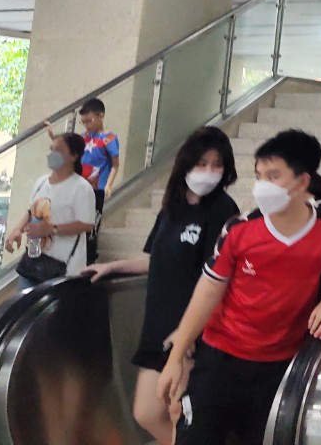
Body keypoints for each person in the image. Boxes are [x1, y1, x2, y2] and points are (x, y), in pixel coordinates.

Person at [158, 130, 321, 445]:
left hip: (280, 368)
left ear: (302, 182)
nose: (262, 185)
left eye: (273, 176)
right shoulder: (240, 229)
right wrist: (176, 357)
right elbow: (208, 292)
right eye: (259, 175)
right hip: (221, 360)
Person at [83, 127, 241, 445]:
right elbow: (154, 259)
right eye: (202, 163)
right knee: (146, 412)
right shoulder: (172, 206)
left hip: (192, 333)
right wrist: (112, 267)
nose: (209, 171)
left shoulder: (224, 211)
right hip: (157, 327)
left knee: (179, 415)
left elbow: (220, 280)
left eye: (217, 165)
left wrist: (190, 333)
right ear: (186, 164)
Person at [5, 131, 97, 288]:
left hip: (65, 266)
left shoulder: (81, 188)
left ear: (74, 156)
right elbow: (32, 210)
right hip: (34, 261)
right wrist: (17, 229)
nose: (52, 154)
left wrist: (51, 229)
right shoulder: (41, 182)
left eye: (58, 150)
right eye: (51, 149)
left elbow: (87, 224)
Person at [70, 98, 118, 263]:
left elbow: (115, 165)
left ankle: (89, 258)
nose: (86, 125)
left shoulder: (109, 139)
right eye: (83, 122)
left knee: (91, 224)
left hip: (97, 188)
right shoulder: (83, 138)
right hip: (79, 187)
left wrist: (109, 185)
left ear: (100, 116)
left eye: (89, 121)